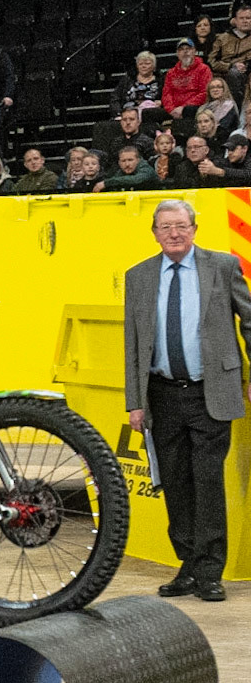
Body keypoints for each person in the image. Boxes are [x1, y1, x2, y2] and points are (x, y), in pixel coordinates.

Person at [124, 198, 251, 602]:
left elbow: (249, 320)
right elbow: (132, 343)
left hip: (210, 391)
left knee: (208, 481)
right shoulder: (139, 276)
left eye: (181, 226)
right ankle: (188, 565)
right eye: (166, 227)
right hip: (161, 395)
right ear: (155, 233)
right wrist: (134, 400)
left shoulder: (223, 267)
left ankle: (210, 572)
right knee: (175, 483)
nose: (174, 233)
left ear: (195, 228)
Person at [165, 39, 213, 128]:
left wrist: (183, 107)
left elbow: (205, 93)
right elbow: (167, 94)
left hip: (194, 107)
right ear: (177, 53)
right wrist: (171, 109)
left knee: (188, 110)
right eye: (181, 49)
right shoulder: (171, 73)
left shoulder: (203, 69)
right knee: (148, 113)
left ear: (194, 51)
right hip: (174, 109)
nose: (185, 51)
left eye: (188, 48)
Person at [208, 2, 251, 103]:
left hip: (247, 72)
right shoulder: (222, 38)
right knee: (233, 72)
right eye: (242, 18)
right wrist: (230, 65)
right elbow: (212, 61)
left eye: (248, 18)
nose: (245, 21)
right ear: (235, 21)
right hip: (225, 72)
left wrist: (246, 66)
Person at [110, 51, 166, 124]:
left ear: (154, 66)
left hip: (150, 116)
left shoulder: (161, 80)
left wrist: (162, 102)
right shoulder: (128, 80)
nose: (143, 66)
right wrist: (118, 113)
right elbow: (115, 97)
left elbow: (168, 97)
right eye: (140, 64)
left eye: (147, 63)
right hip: (127, 114)